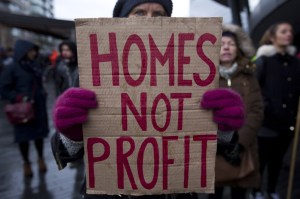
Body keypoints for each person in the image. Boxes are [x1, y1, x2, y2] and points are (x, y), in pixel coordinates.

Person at [51, 0, 246, 198]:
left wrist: (225, 131)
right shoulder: (92, 70)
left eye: (159, 14)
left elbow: (216, 147)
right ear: (120, 21)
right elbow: (68, 154)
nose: (150, 20)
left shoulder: (193, 69)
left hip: (175, 190)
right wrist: (71, 134)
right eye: (139, 13)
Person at [207, 24, 263, 199]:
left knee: (240, 193)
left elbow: (256, 109)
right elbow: (203, 111)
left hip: (243, 148)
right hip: (216, 149)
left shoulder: (248, 77)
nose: (226, 47)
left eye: (231, 43)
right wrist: (221, 142)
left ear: (237, 48)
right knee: (215, 193)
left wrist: (240, 142)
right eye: (221, 43)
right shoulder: (206, 78)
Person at [254, 22, 300, 199]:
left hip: (287, 122)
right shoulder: (263, 61)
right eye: (284, 31)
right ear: (273, 37)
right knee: (262, 160)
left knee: (278, 160)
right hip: (266, 124)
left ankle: (272, 190)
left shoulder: (295, 63)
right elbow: (255, 89)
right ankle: (257, 191)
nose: (289, 34)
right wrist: (266, 109)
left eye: (290, 31)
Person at [0, 40, 49, 178]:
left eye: (34, 50)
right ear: (23, 52)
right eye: (31, 50)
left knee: (39, 136)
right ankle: (26, 163)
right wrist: (19, 97)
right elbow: (4, 89)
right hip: (22, 110)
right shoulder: (11, 68)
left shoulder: (35, 66)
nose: (34, 53)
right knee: (23, 139)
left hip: (38, 107)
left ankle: (41, 158)